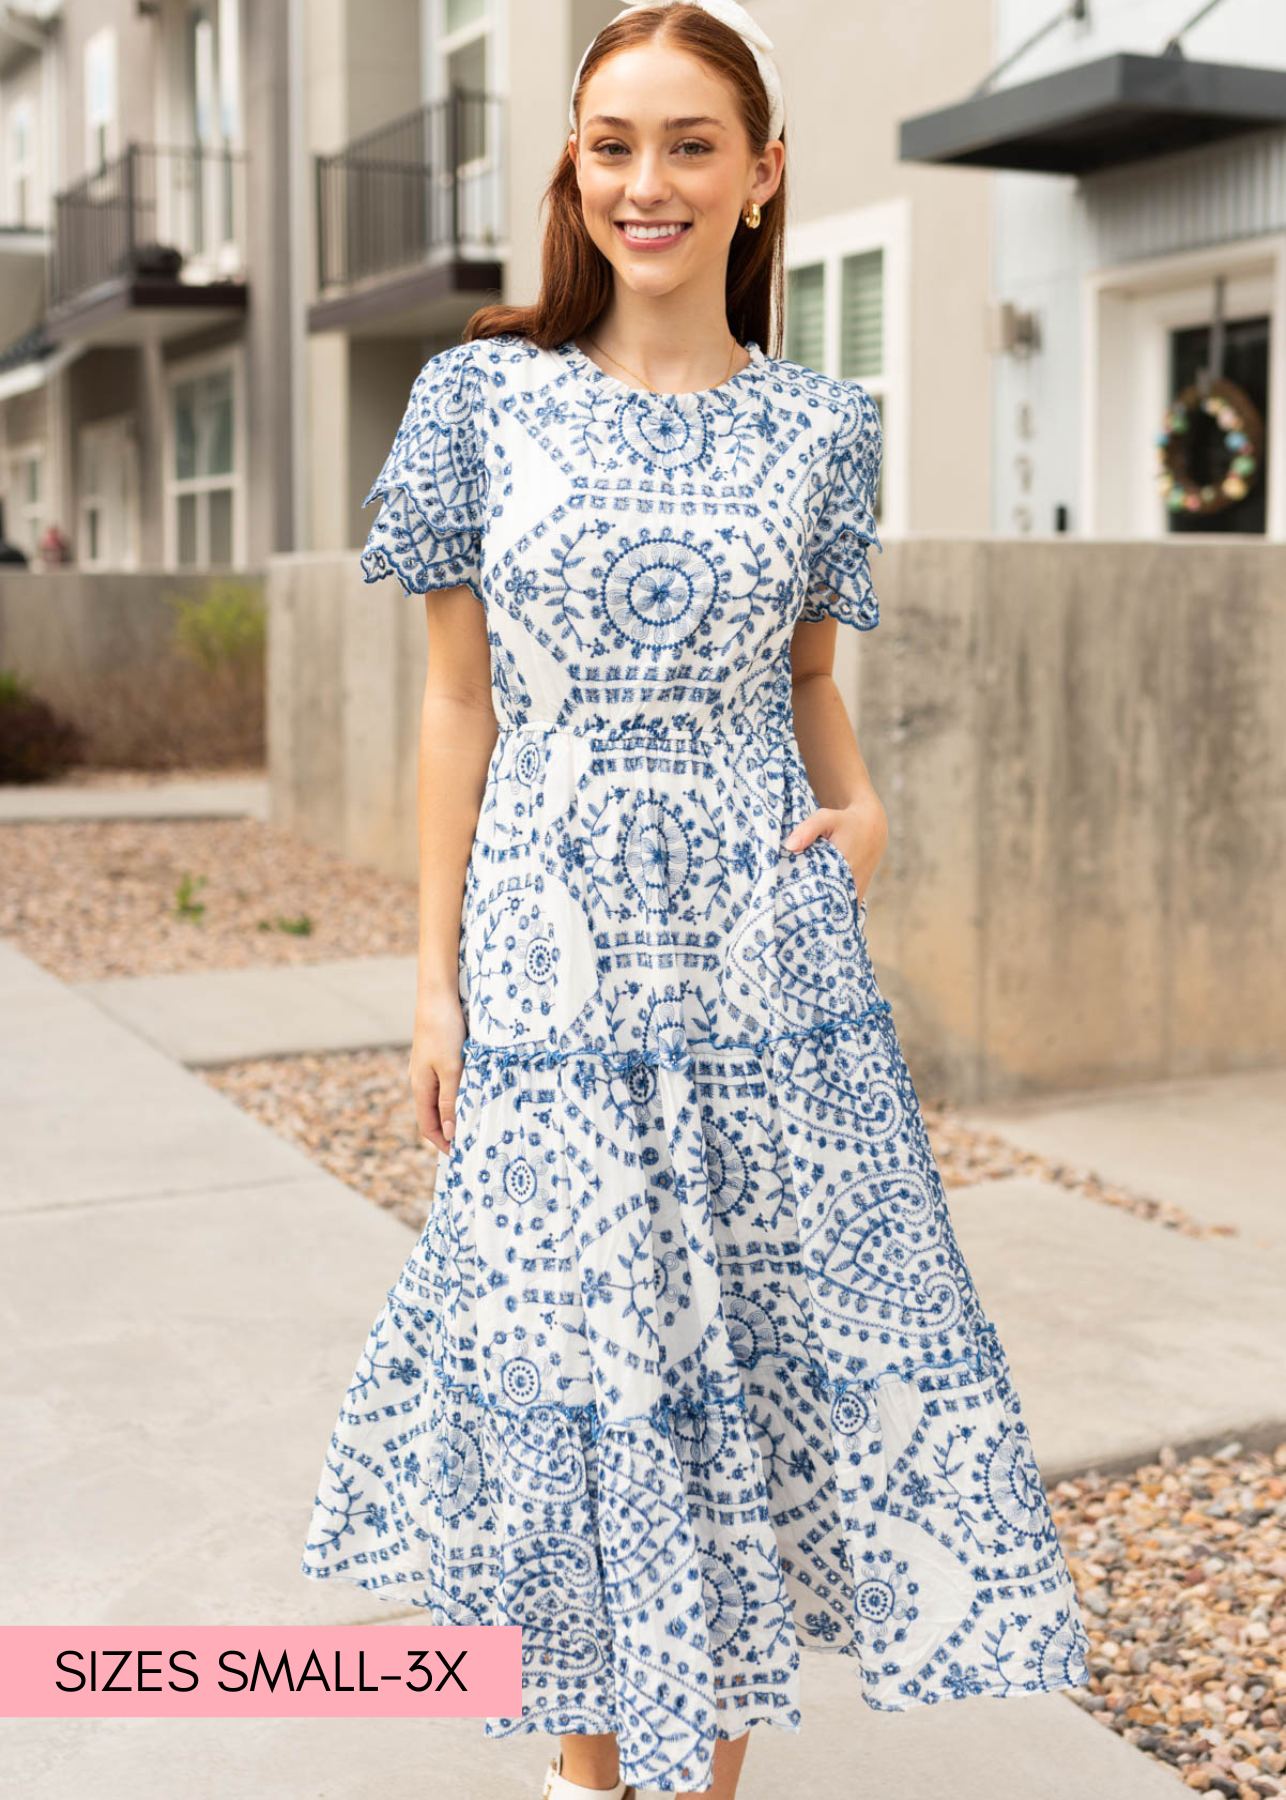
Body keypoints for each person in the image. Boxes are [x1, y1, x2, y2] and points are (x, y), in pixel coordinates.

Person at [300, 5, 1092, 1796]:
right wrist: (434, 987)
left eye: (684, 144)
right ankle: (592, 1784)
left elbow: (810, 684)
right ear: (575, 172)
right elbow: (454, 702)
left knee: (731, 1349)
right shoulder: (478, 395)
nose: (642, 182)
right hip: (553, 947)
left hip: (760, 950)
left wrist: (863, 804)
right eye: (609, 145)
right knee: (585, 1362)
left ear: (760, 171)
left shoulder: (822, 424)